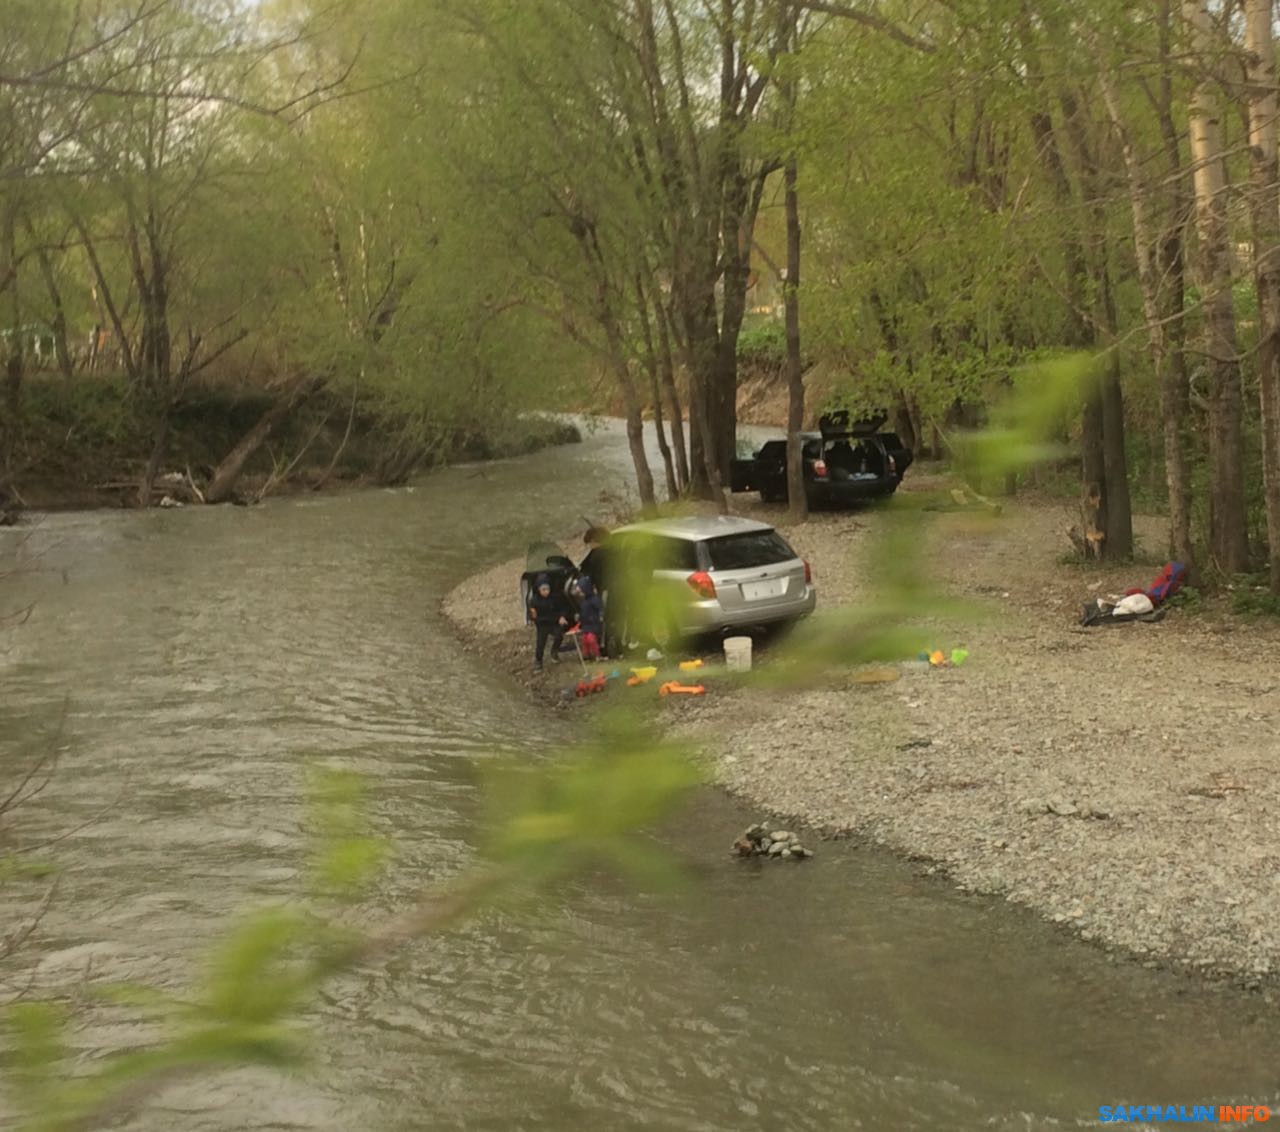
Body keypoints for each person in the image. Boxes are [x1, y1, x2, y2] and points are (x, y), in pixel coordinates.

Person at [528, 573, 570, 672]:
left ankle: (554, 652)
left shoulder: (554, 598)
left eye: (548, 589)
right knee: (540, 644)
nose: (546, 592)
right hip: (542, 625)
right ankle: (538, 662)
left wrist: (562, 616)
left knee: (559, 636)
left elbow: (563, 608)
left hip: (554, 623)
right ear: (538, 589)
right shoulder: (534, 601)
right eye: (543, 590)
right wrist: (533, 616)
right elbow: (534, 617)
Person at [571, 575, 604, 660]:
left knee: (591, 639)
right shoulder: (584, 601)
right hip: (586, 624)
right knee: (584, 639)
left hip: (594, 624)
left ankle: (596, 654)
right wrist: (579, 617)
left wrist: (601, 616)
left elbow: (600, 608)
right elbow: (582, 611)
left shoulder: (594, 599)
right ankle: (586, 655)